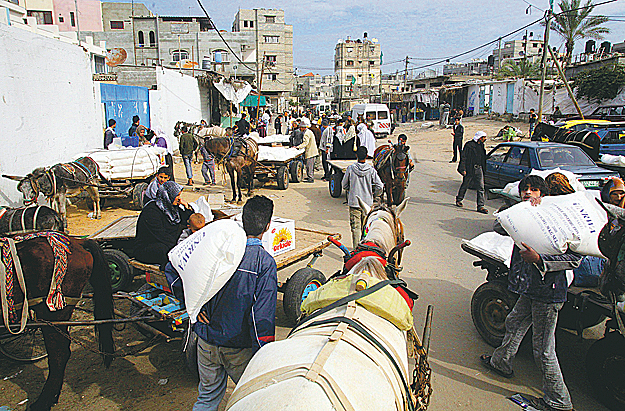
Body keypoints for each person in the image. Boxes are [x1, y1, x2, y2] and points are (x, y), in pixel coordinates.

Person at [481, 174, 581, 411]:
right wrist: (519, 211)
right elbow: (498, 226)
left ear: (543, 194)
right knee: (514, 322)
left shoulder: (555, 219)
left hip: (549, 292)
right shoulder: (522, 212)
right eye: (525, 189)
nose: (528, 193)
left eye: (534, 190)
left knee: (543, 349)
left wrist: (540, 259)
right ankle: (501, 363)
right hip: (531, 288)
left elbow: (574, 259)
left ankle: (559, 401)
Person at [193, 195, 277, 411]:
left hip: (206, 341)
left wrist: (196, 306)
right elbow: (262, 316)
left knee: (207, 398)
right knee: (252, 399)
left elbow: (177, 270)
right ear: (267, 226)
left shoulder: (217, 248)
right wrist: (264, 354)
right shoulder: (263, 262)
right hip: (237, 347)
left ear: (242, 219)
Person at [134, 181, 193, 269]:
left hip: (167, 241)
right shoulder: (151, 211)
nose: (179, 199)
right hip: (149, 246)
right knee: (166, 250)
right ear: (167, 195)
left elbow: (187, 222)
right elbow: (160, 235)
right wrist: (180, 247)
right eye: (177, 196)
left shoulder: (171, 207)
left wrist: (187, 207)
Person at [342, 146, 384, 248]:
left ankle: (356, 249)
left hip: (354, 203)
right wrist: (374, 195)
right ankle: (365, 248)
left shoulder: (351, 169)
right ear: (366, 156)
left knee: (356, 228)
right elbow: (380, 186)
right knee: (366, 228)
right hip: (367, 205)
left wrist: (351, 190)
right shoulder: (371, 170)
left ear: (356, 155)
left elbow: (344, 185)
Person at [456, 131, 488, 214]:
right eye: (483, 137)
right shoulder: (469, 145)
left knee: (481, 187)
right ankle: (459, 199)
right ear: (480, 138)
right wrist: (463, 169)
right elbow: (464, 158)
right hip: (470, 169)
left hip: (479, 169)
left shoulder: (481, 146)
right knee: (465, 185)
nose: (485, 139)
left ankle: (480, 206)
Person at [296, 117, 319, 183]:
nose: (300, 129)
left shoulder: (306, 133)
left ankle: (310, 178)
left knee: (309, 166)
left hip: (311, 152)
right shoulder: (309, 131)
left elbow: (305, 143)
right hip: (312, 151)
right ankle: (309, 176)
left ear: (303, 127)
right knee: (309, 166)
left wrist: (298, 147)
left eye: (301, 128)